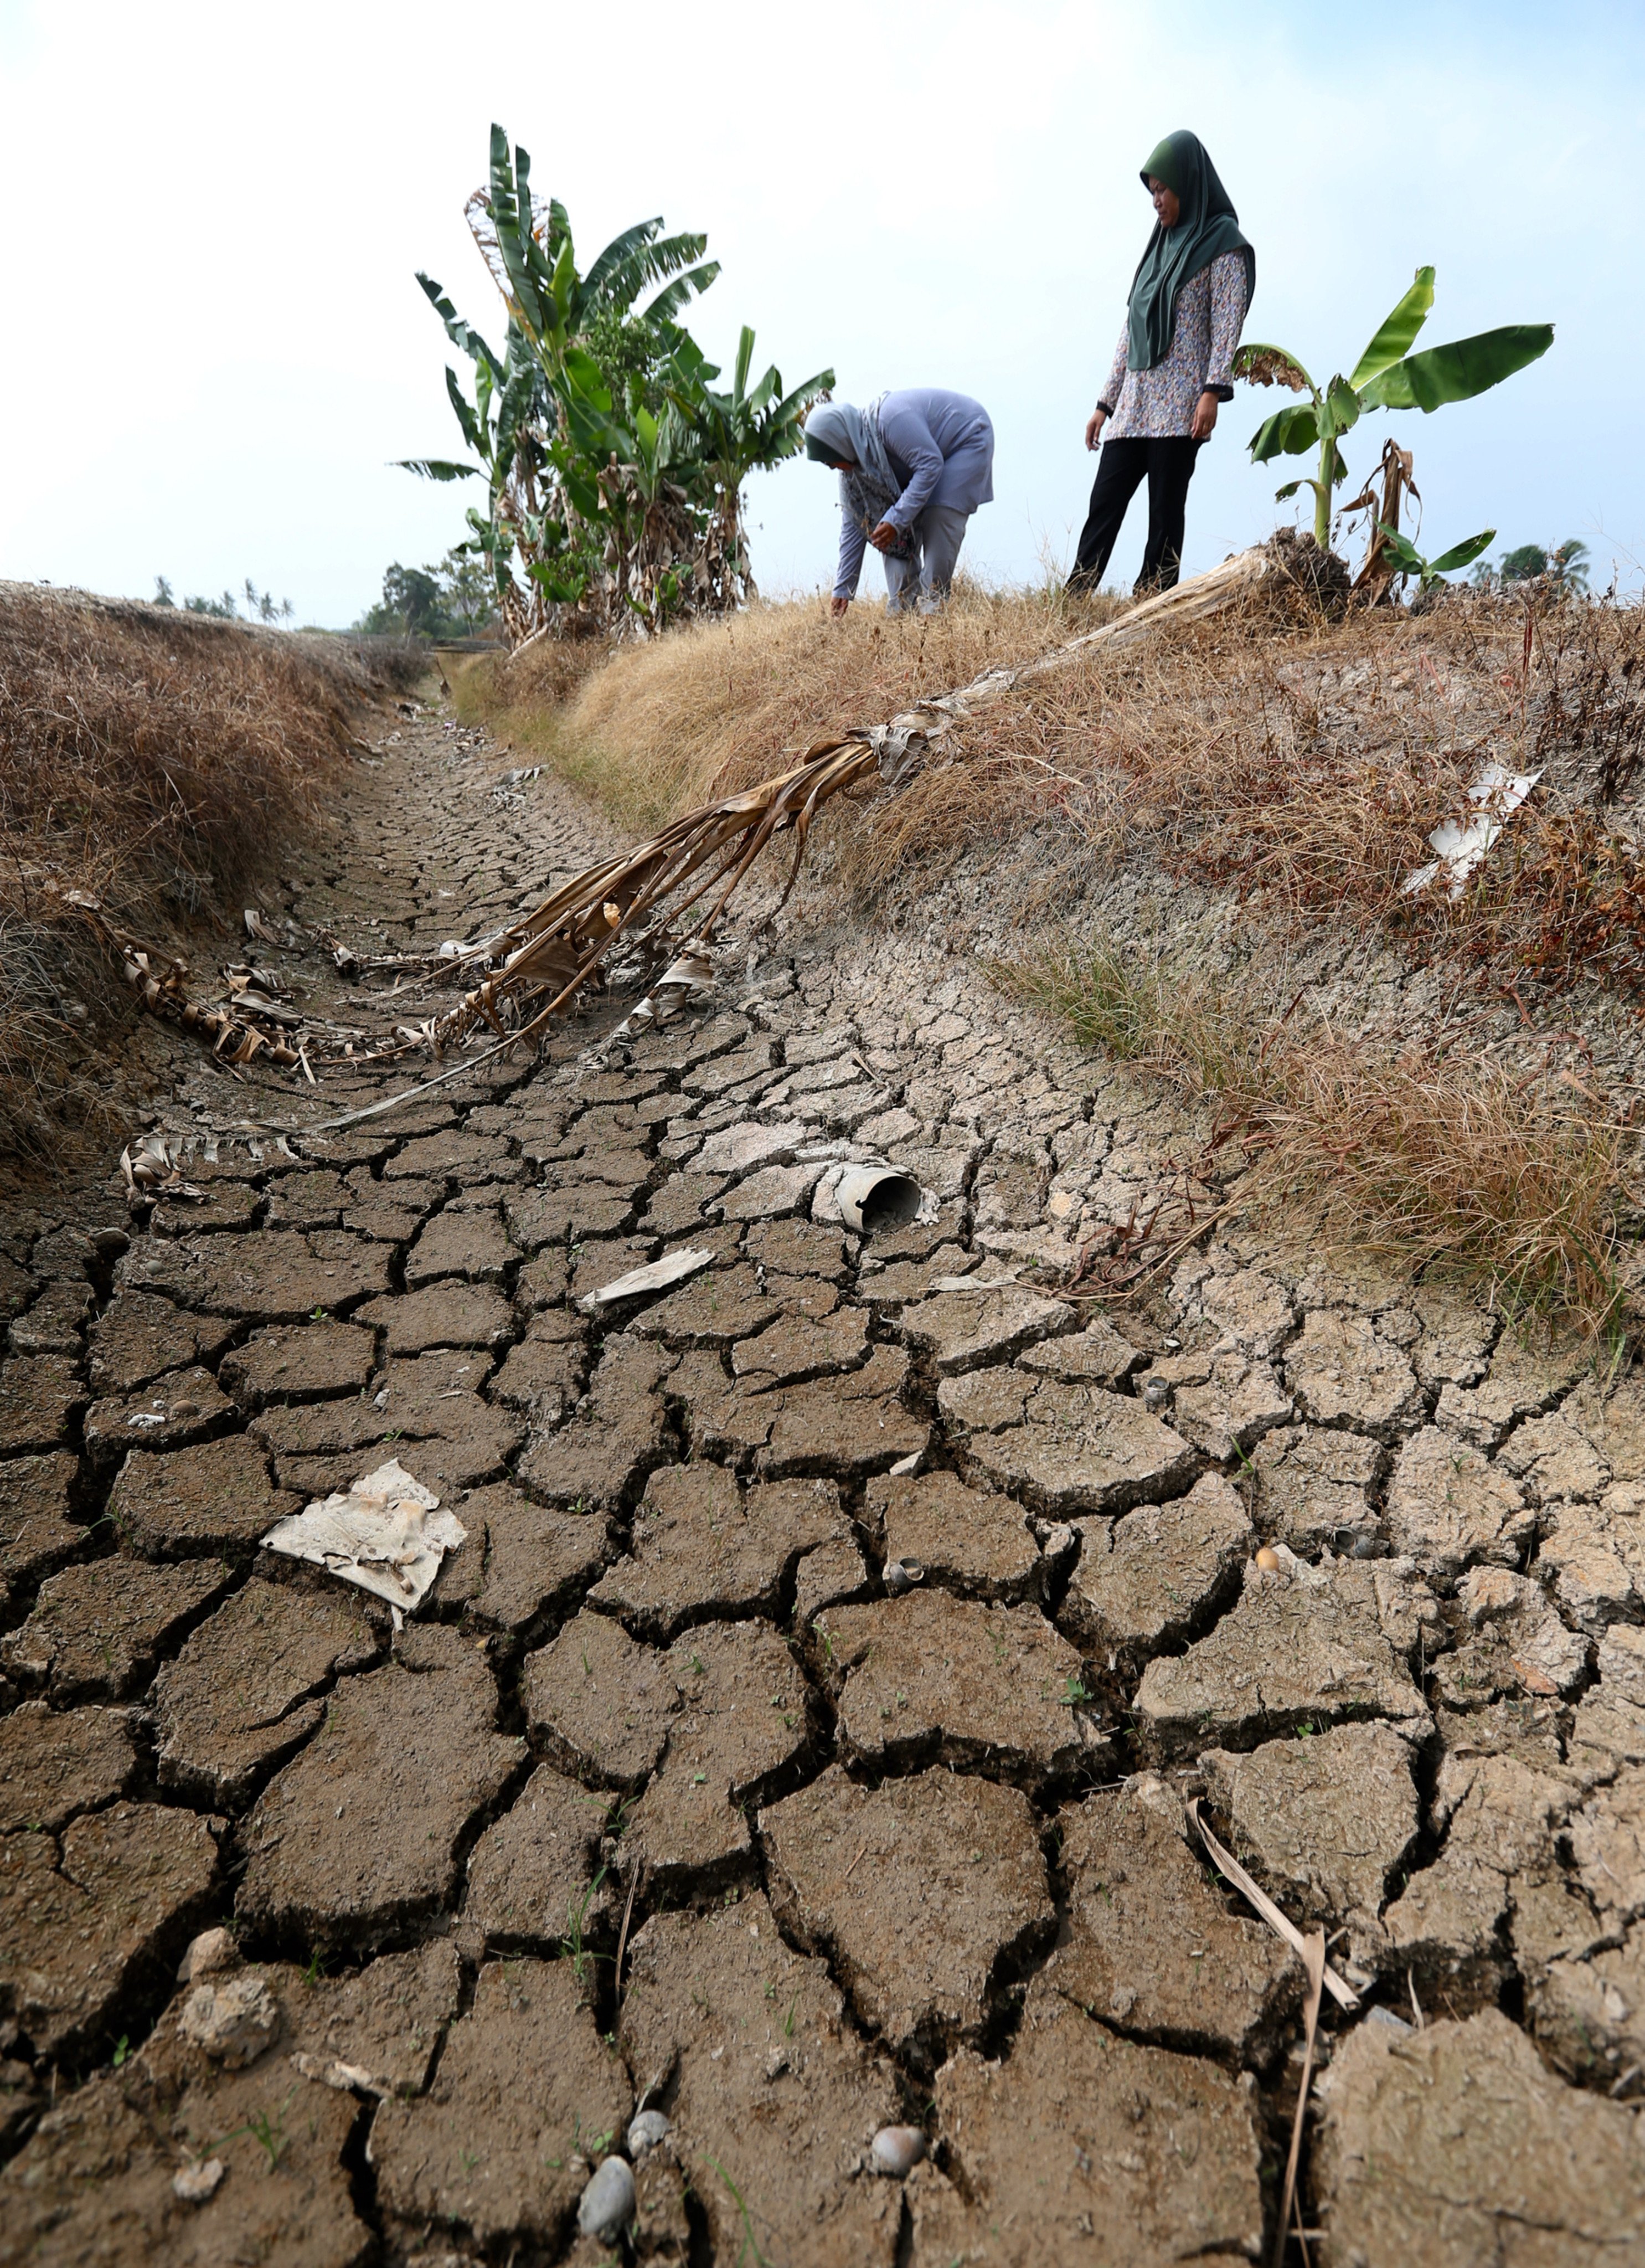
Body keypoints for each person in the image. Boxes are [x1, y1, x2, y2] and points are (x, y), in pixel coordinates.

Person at [1069, 132, 1254, 596]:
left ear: (1187, 184)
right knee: (1104, 502)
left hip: (1180, 408)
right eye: (1150, 191)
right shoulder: (1156, 251)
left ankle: (1151, 603)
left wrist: (1212, 391)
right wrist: (1103, 404)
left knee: (1165, 514)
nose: (1155, 201)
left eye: (1162, 189)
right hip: (1134, 407)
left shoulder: (1222, 244)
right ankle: (1074, 596)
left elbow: (1227, 321)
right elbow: (1129, 332)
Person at [803, 390, 994, 616]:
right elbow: (856, 523)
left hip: (965, 440)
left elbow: (930, 465)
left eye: (830, 461)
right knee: (883, 526)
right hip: (931, 462)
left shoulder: (889, 420)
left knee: (938, 514)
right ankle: (905, 615)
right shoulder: (854, 470)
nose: (833, 467)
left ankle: (932, 611)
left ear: (841, 442)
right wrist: (844, 587)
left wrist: (897, 519)